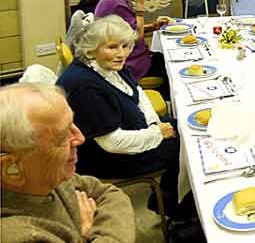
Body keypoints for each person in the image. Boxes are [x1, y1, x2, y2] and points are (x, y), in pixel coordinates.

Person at [56, 15, 188, 219]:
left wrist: (154, 123)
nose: (121, 54)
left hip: (135, 129)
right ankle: (173, 207)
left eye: (125, 46)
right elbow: (112, 143)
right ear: (92, 48)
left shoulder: (108, 65)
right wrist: (157, 134)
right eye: (112, 47)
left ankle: (170, 196)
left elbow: (138, 93)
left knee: (184, 128)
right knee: (187, 145)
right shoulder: (84, 85)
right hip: (106, 158)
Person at [0, 82, 135, 243]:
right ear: (11, 170)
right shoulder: (17, 236)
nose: (80, 138)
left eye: (72, 123)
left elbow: (110, 194)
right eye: (63, 136)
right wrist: (86, 235)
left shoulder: (46, 176)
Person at [95, 0, 169, 84]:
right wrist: (140, 5)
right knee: (170, 69)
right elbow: (137, 36)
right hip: (129, 66)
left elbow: (127, 31)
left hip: (135, 57)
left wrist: (153, 26)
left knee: (165, 58)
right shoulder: (115, 4)